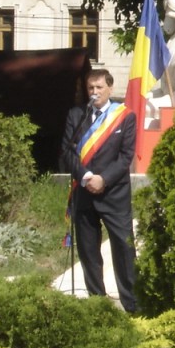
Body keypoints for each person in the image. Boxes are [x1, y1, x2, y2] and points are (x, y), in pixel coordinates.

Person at [60, 69, 137, 312]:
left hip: (114, 193)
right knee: (88, 252)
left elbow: (125, 157)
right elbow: (67, 151)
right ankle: (98, 305)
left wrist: (103, 179)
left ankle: (132, 304)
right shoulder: (77, 115)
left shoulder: (124, 116)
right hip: (84, 193)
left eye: (99, 88)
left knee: (124, 249)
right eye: (91, 88)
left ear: (110, 89)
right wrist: (85, 177)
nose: (94, 92)